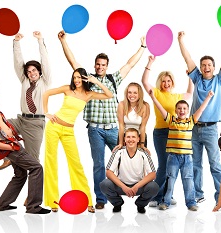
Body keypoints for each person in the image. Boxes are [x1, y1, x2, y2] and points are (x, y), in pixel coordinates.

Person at [58, 30, 146, 209]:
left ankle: (135, 192)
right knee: (98, 164)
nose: (100, 67)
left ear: (107, 66)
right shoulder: (87, 80)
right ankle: (101, 199)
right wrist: (63, 41)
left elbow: (129, 64)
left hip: (114, 129)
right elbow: (72, 61)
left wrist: (142, 47)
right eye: (97, 65)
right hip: (95, 130)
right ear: (95, 65)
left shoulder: (114, 79)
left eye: (103, 65)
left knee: (128, 160)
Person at [42, 68, 113, 213]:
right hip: (54, 127)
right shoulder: (68, 89)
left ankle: (86, 200)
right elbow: (46, 93)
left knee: (76, 165)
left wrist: (96, 81)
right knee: (51, 163)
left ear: (84, 78)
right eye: (74, 77)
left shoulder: (88, 94)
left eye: (79, 78)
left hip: (68, 131)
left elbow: (109, 94)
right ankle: (52, 202)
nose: (76, 80)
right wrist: (46, 112)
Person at [0, 81, 51, 214]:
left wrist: (13, 141)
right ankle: (33, 206)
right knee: (36, 168)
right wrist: (9, 148)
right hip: (10, 148)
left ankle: (1, 205)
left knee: (20, 175)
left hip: (14, 143)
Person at [178, 31, 221, 203]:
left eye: (209, 65)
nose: (206, 67)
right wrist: (180, 40)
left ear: (213, 67)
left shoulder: (219, 80)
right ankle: (198, 194)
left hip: (210, 129)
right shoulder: (196, 78)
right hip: (194, 128)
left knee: (216, 165)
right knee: (195, 164)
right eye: (203, 65)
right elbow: (187, 58)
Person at [148, 89, 215, 211]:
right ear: (175, 110)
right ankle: (165, 201)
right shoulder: (171, 120)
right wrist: (153, 97)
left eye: (184, 108)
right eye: (179, 108)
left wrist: (208, 97)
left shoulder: (191, 121)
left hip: (187, 157)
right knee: (170, 179)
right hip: (173, 156)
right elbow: (161, 109)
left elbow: (201, 109)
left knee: (188, 180)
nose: (182, 111)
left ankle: (191, 202)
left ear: (188, 111)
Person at [141, 55, 193, 207]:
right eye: (163, 81)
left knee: (171, 167)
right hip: (161, 133)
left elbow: (190, 93)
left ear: (172, 82)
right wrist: (149, 63)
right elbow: (144, 81)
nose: (166, 83)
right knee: (163, 166)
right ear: (160, 82)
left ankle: (166, 195)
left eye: (168, 80)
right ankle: (155, 196)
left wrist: (190, 76)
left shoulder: (177, 96)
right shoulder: (156, 93)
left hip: (175, 136)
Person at [0, 31, 51, 171]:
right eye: (28, 71)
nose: (31, 73)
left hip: (35, 124)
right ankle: (8, 157)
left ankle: (34, 193)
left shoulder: (45, 82)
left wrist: (40, 40)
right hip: (21, 120)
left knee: (33, 163)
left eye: (34, 70)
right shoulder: (24, 81)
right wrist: (16, 43)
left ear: (39, 71)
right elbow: (18, 62)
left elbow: (45, 61)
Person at [100, 128, 158, 214]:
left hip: (138, 186)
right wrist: (123, 186)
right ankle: (117, 203)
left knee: (154, 187)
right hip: (121, 186)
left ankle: (140, 204)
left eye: (133, 137)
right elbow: (109, 172)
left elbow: (152, 174)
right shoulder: (118, 152)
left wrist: (136, 186)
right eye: (128, 137)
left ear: (138, 139)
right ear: (124, 139)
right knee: (104, 184)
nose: (131, 140)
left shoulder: (143, 153)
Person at [115, 82, 150, 150]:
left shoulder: (145, 106)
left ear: (139, 94)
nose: (132, 95)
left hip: (139, 137)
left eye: (135, 93)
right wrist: (121, 143)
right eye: (129, 92)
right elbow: (121, 126)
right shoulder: (121, 105)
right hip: (125, 137)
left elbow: (143, 127)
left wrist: (142, 144)